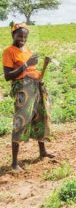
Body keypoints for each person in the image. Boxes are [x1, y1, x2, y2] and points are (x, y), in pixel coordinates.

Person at [2, 22, 55, 172]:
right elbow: (7, 76)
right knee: (21, 120)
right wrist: (26, 65)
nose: (22, 39)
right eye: (19, 35)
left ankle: (43, 152)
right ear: (13, 34)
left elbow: (31, 69)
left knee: (40, 117)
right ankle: (14, 163)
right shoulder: (8, 51)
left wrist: (38, 77)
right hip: (22, 90)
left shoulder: (26, 49)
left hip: (35, 86)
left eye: (25, 36)